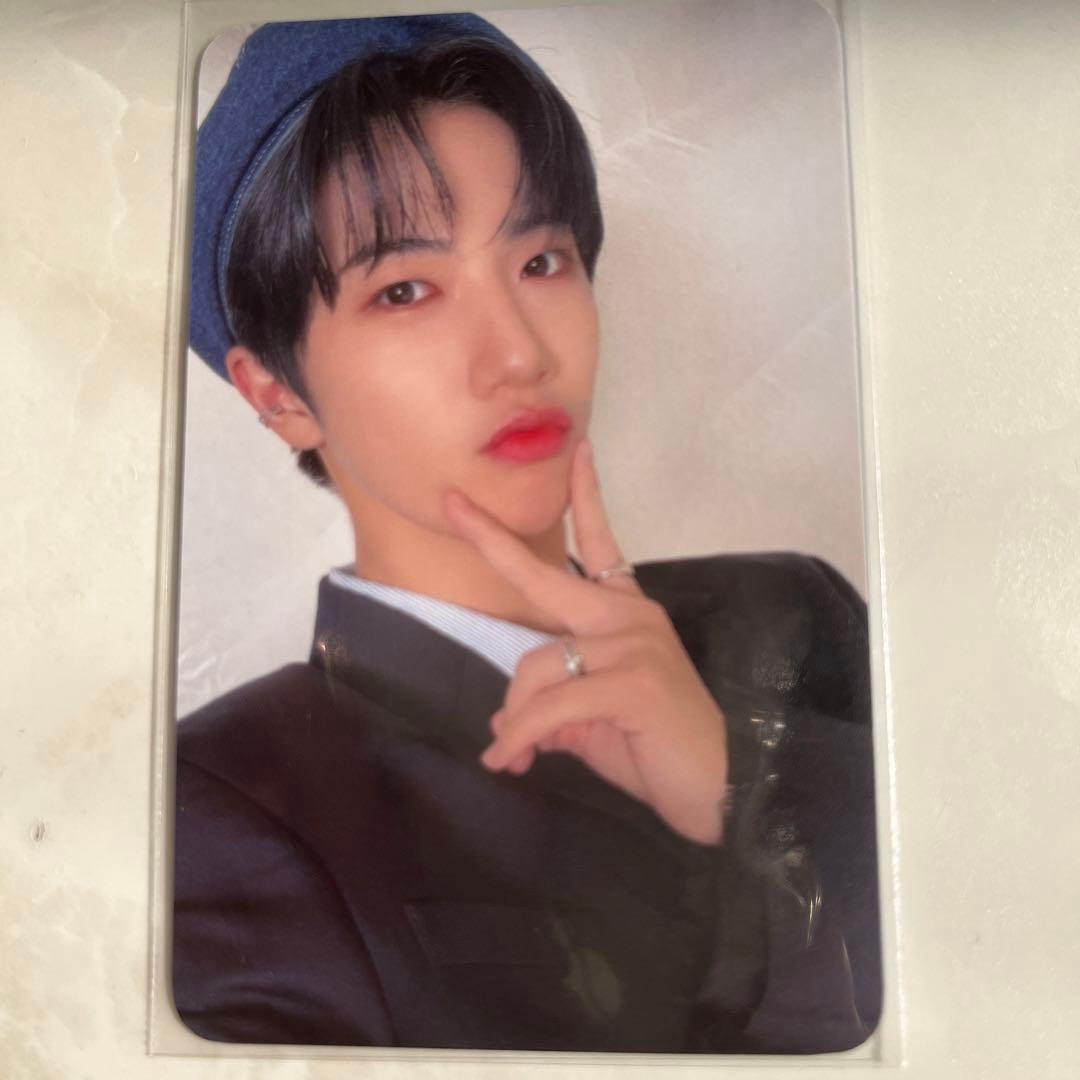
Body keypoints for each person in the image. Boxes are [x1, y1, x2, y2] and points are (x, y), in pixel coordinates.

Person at [173, 13, 881, 1053]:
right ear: (277, 393)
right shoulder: (223, 807)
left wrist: (740, 791)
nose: (517, 353)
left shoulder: (793, 617)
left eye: (542, 261)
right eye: (404, 290)